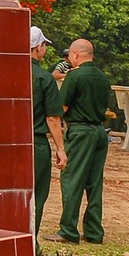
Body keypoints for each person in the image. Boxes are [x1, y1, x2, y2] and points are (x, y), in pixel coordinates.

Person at [53, 39, 114, 245]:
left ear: (76, 55)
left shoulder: (75, 76)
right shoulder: (103, 78)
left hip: (80, 131)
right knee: (94, 183)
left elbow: (62, 107)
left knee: (72, 179)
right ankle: (94, 231)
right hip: (99, 131)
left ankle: (68, 230)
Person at [30, 26, 66, 239]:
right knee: (36, 196)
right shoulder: (44, 78)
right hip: (36, 143)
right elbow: (52, 117)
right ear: (38, 47)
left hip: (9, 144)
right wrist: (61, 149)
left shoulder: (5, 72)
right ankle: (30, 243)